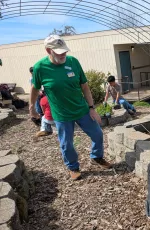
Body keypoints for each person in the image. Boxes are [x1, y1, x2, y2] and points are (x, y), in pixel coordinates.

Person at [30, 35, 112, 180]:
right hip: (61, 114)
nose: (63, 55)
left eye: (64, 51)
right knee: (67, 144)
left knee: (98, 134)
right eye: (59, 52)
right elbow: (35, 88)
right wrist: (32, 106)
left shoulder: (73, 62)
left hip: (82, 109)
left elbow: (85, 86)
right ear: (48, 50)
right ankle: (73, 167)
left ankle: (97, 156)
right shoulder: (39, 68)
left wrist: (92, 108)